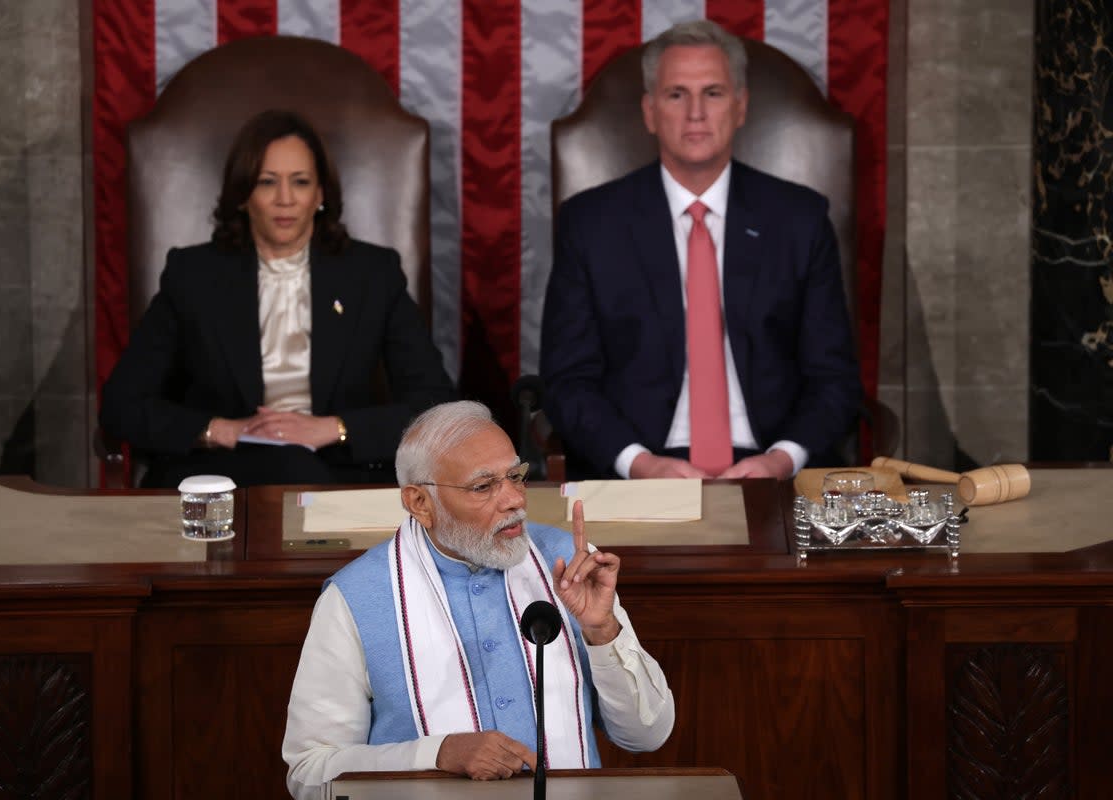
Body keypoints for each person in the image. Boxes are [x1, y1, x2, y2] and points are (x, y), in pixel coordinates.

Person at [282, 401, 675, 797]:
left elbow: (648, 734)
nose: (514, 500)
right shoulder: (355, 598)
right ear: (420, 503)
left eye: (515, 477)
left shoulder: (568, 564)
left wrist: (602, 630)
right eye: (483, 487)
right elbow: (309, 773)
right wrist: (435, 754)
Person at [540, 20, 861, 481]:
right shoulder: (590, 224)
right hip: (640, 466)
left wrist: (783, 459)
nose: (695, 112)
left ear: (741, 106)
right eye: (676, 94)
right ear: (650, 112)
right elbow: (568, 383)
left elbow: (834, 380)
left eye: (712, 93)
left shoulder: (799, 219)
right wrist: (639, 464)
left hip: (772, 467)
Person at [100, 109, 455, 487]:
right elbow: (122, 405)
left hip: (338, 468)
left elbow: (434, 404)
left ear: (320, 194)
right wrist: (220, 429)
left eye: (300, 182)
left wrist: (334, 428)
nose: (285, 199)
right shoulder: (193, 275)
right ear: (243, 195)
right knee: (287, 472)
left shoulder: (373, 274)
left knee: (298, 472)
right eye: (267, 182)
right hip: (222, 473)